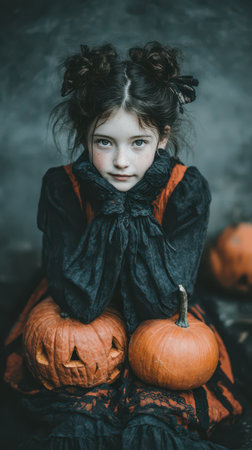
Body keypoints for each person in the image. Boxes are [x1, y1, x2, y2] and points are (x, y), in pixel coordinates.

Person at [3, 41, 243, 449]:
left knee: (161, 403)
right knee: (75, 403)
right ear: (84, 136)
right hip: (78, 313)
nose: (121, 162)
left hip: (163, 317)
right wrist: (115, 208)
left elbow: (167, 300)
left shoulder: (186, 188)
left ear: (162, 138)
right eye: (104, 142)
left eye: (138, 143)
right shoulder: (63, 186)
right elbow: (80, 302)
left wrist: (137, 208)